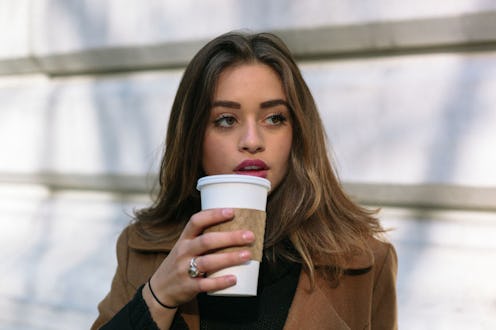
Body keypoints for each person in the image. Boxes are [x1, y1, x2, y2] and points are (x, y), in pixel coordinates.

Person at [92, 30, 398, 330]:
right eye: (226, 119)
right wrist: (159, 296)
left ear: (298, 133)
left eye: (274, 118)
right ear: (193, 138)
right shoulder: (142, 249)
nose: (252, 141)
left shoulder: (366, 261)